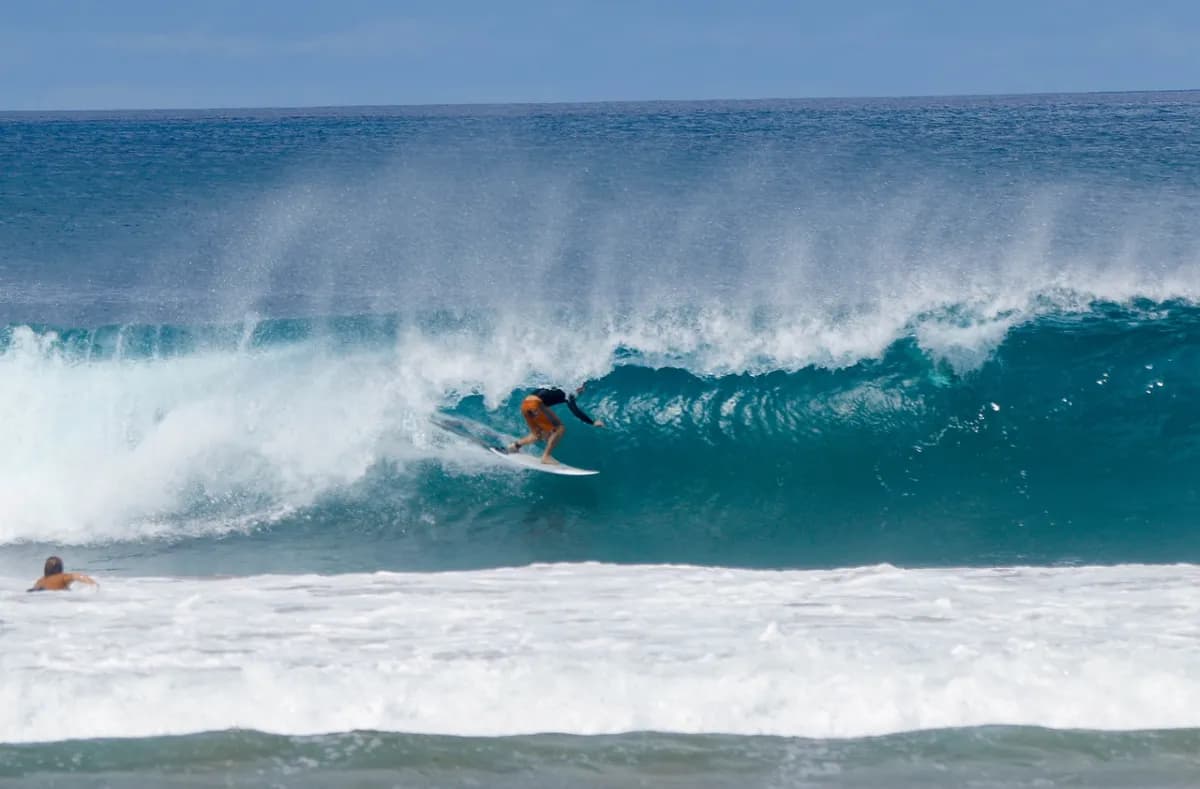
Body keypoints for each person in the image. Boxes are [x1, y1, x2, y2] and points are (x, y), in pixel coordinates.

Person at [507, 385, 604, 465]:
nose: (582, 391)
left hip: (526, 404)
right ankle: (546, 456)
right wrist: (593, 422)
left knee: (538, 435)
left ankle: (515, 446)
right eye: (582, 388)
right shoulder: (569, 391)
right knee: (560, 428)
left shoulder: (558, 386)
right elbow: (576, 411)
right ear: (578, 387)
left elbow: (541, 395)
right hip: (534, 405)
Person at [27, 556, 98, 592]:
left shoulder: (40, 580)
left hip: (38, 595)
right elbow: (77, 576)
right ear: (60, 567)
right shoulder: (62, 577)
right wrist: (94, 584)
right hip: (55, 597)